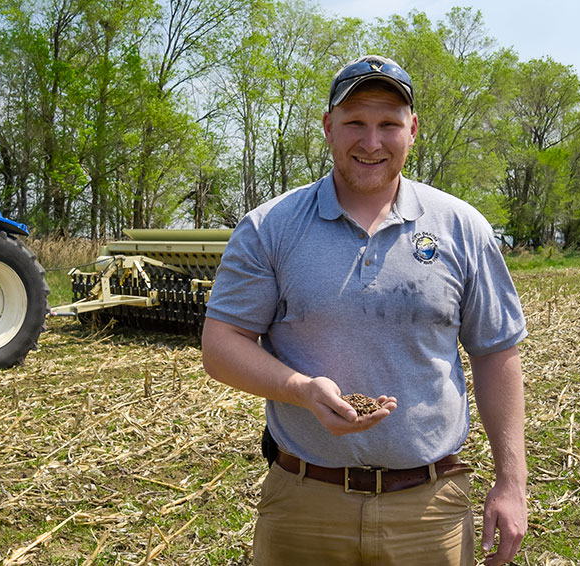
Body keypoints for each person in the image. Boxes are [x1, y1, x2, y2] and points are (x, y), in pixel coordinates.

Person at [202, 55, 528, 566]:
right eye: (354, 122)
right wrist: (301, 390)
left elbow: (495, 352)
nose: (371, 142)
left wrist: (511, 482)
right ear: (329, 127)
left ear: (413, 129)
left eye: (388, 124)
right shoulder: (271, 226)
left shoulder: (462, 228)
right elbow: (221, 345)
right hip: (305, 501)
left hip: (430, 507)